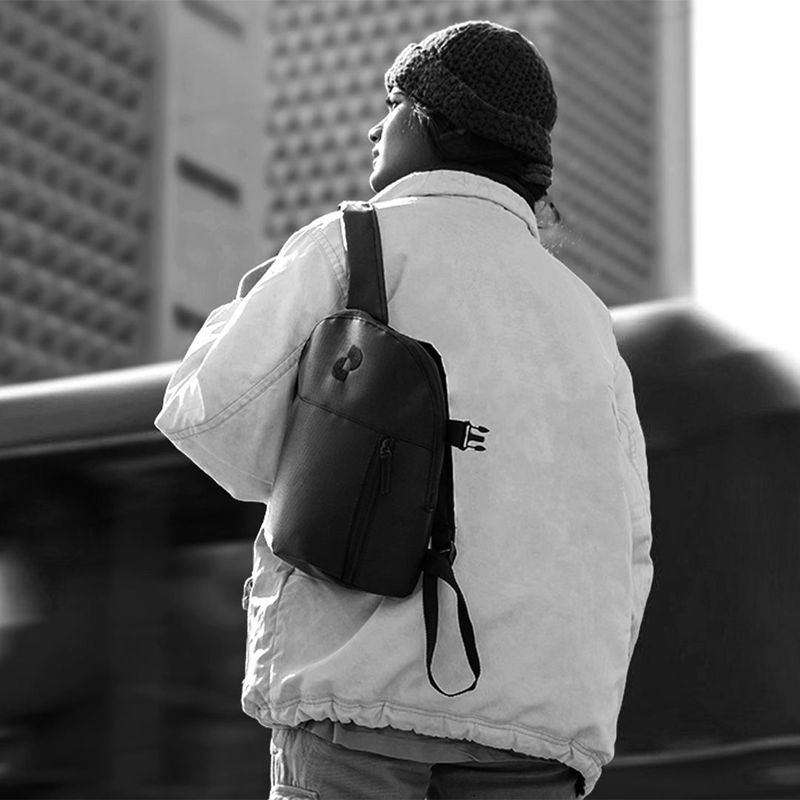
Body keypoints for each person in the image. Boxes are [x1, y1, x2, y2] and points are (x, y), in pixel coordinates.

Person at [156, 19, 653, 800]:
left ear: (433, 123)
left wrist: (252, 301)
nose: (373, 128)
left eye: (392, 105)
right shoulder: (587, 317)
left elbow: (211, 424)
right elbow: (630, 546)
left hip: (360, 715)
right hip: (538, 742)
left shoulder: (351, 246)